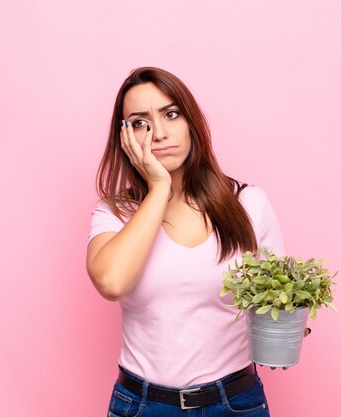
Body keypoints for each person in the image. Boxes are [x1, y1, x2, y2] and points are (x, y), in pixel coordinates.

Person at [86, 66, 306, 417]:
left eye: (171, 114)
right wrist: (158, 188)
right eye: (141, 122)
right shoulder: (116, 213)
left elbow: (278, 292)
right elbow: (111, 282)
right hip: (143, 406)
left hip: (234, 403)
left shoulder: (248, 204)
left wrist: (287, 319)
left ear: (191, 122)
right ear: (125, 137)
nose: (158, 133)